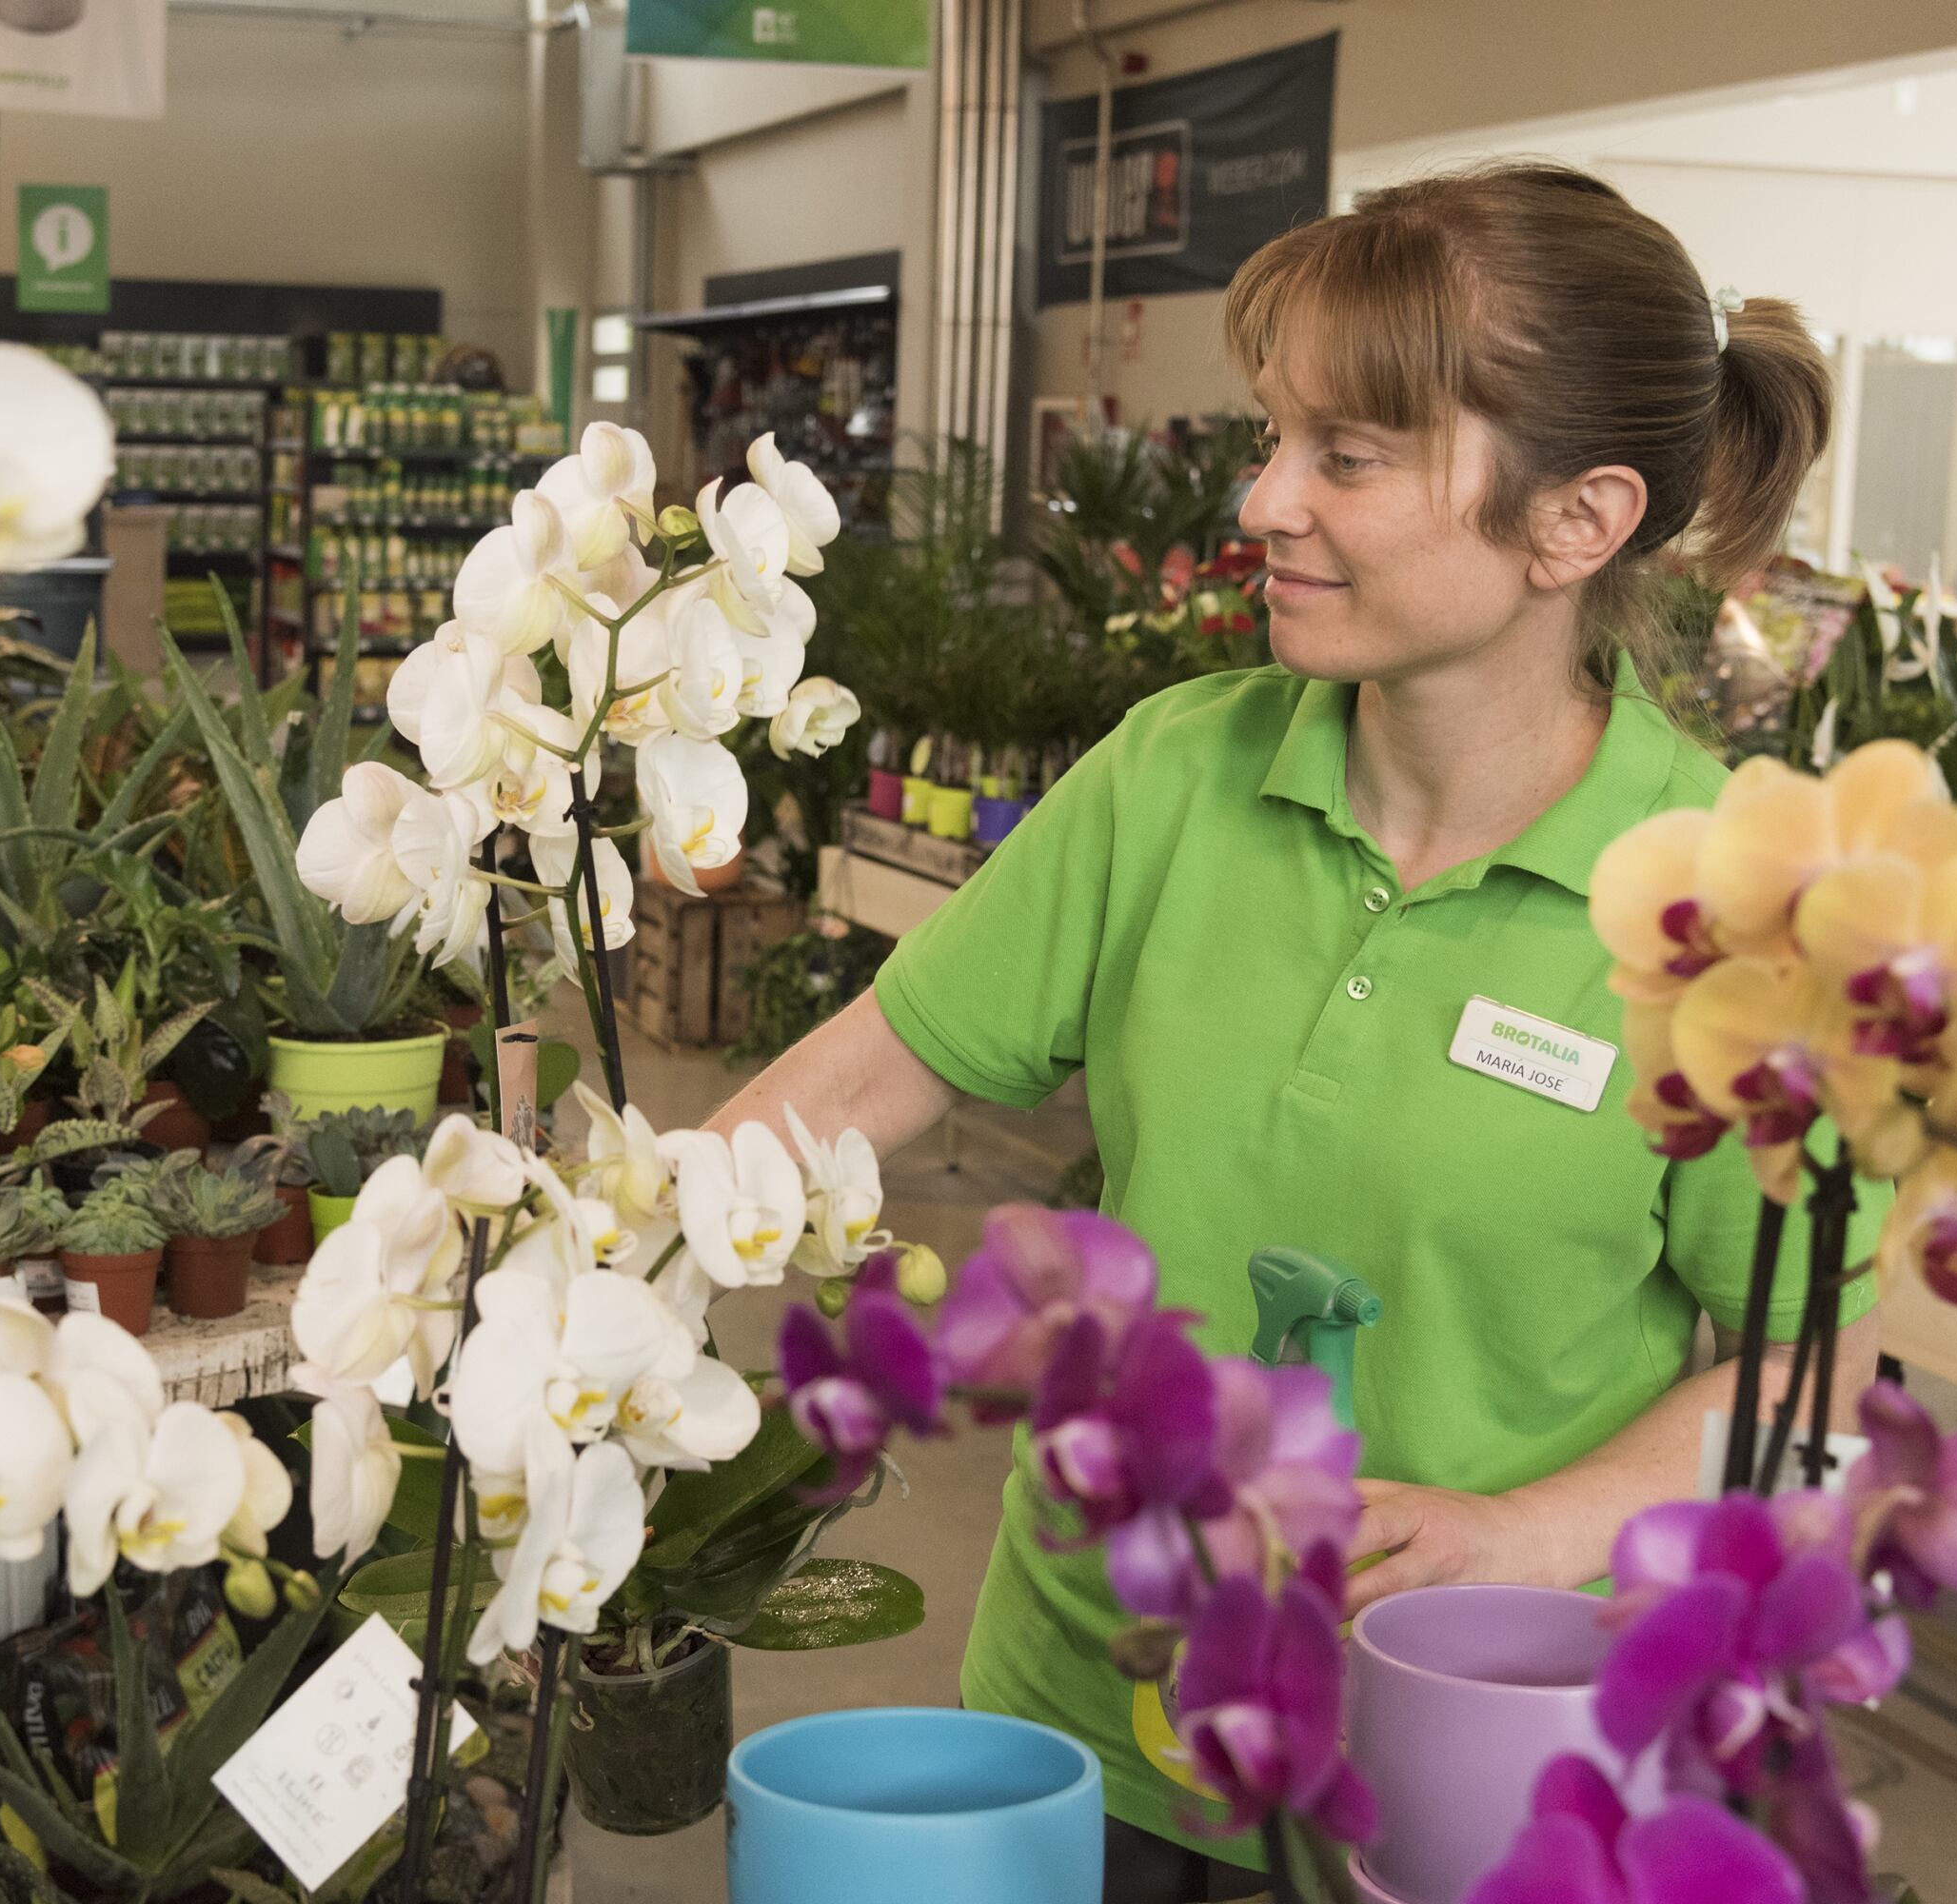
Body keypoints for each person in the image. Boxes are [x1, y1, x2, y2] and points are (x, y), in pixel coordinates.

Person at [711, 164, 1888, 1903]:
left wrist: (1524, 1533)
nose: (1262, 500)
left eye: (1346, 456)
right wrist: (591, 1262)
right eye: (1272, 438)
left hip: (1469, 1770)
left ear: (1577, 522)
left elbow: (1812, 1380)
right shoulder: (1176, 774)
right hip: (1085, 1730)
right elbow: (878, 1069)